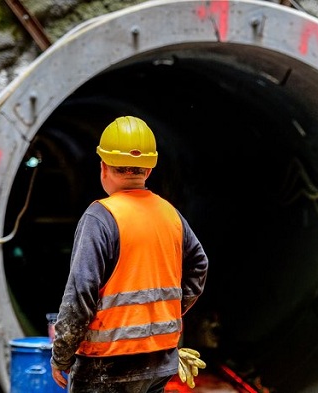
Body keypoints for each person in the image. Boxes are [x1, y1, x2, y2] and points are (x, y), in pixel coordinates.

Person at [50, 116, 209, 393]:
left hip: (107, 363)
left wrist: (61, 355)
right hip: (159, 359)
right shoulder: (170, 214)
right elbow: (199, 264)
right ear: (148, 171)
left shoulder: (100, 217)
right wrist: (166, 312)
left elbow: (80, 294)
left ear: (103, 167)